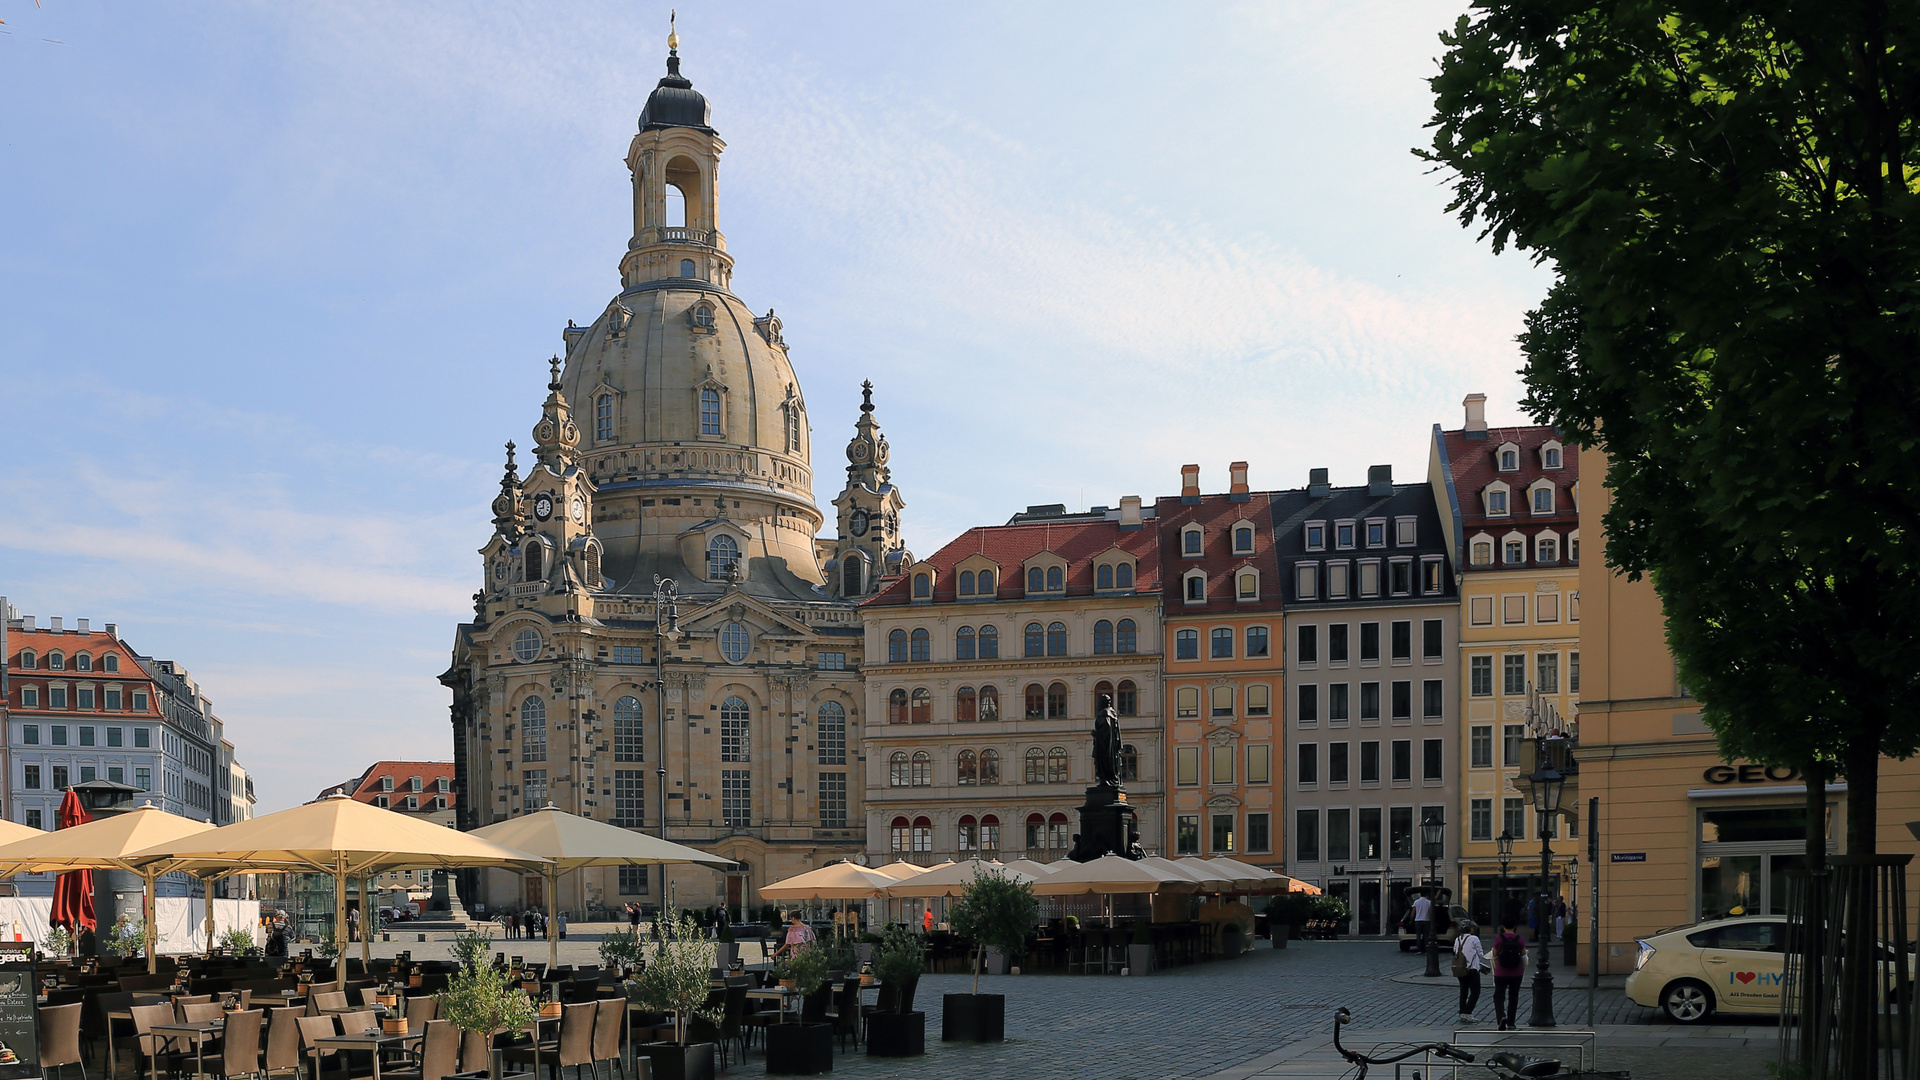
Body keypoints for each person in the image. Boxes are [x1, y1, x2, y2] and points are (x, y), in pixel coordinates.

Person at [1491, 917, 1528, 1031]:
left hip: (1501, 972)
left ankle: (1501, 1017)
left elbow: (1495, 953)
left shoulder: (1499, 939)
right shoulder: (1520, 939)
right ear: (1515, 926)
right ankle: (1511, 1022)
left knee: (1499, 996)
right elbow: (1523, 954)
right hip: (1516, 972)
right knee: (1513, 996)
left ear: (1503, 926)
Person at [1453, 920, 1484, 1022]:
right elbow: (1480, 953)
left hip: (1460, 968)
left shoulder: (1458, 939)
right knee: (1475, 991)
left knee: (1464, 991)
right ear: (1471, 929)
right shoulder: (1474, 938)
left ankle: (1462, 1011)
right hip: (1472, 968)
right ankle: (1468, 1012)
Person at [1411, 890, 1433, 956]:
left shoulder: (1416, 902)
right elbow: (1431, 911)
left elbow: (1413, 911)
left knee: (1418, 936)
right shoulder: (1429, 902)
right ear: (1426, 895)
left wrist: (1411, 919)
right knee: (1426, 935)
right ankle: (1426, 949)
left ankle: (1419, 949)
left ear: (1420, 895)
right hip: (1426, 920)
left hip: (1418, 920)